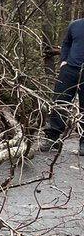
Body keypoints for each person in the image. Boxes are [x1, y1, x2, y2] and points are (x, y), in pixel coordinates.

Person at [41, 18, 84, 152]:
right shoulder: (75, 25)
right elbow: (66, 43)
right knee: (59, 102)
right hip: (70, 69)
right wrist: (64, 60)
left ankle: (83, 142)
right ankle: (53, 138)